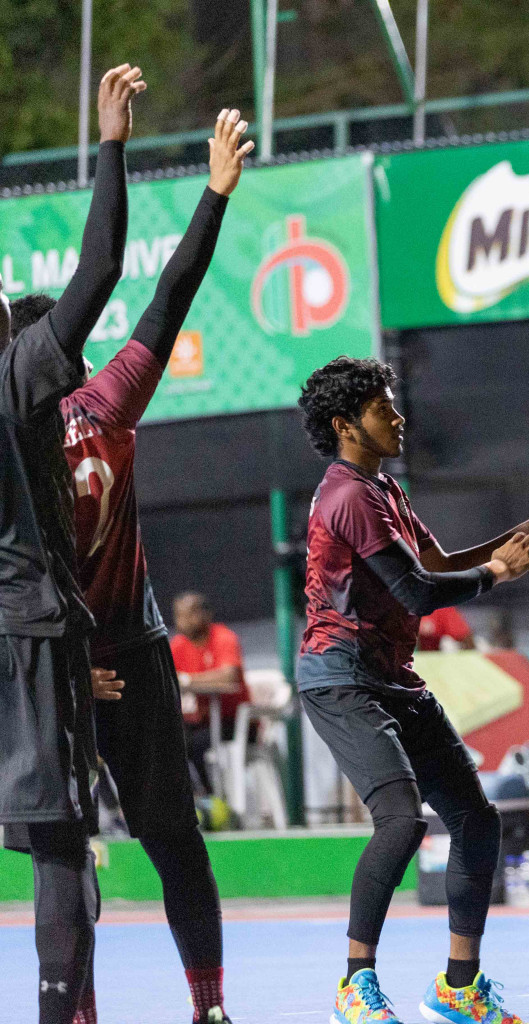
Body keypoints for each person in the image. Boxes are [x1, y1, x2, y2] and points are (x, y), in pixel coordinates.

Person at [31, 110, 251, 1024]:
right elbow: (169, 295)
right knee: (173, 842)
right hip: (122, 647)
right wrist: (215, 193)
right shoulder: (107, 401)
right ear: (68, 348)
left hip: (52, 661)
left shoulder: (14, 432)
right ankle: (210, 1010)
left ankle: (77, 1016)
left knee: (65, 854)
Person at [295, 355, 529, 1023]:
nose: (398, 417)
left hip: (392, 678)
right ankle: (354, 984)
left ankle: (459, 989)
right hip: (340, 677)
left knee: (475, 820)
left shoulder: (384, 489)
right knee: (401, 820)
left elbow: (434, 563)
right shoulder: (347, 496)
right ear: (347, 425)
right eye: (383, 408)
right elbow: (418, 592)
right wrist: (497, 574)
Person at [0, 63, 141, 1024]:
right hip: (29, 632)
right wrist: (112, 145)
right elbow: (97, 273)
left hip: (22, 634)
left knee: (56, 845)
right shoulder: (14, 380)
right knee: (61, 844)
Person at [170, 592, 249, 795]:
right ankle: (193, 799)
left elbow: (229, 677)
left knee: (195, 744)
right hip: (200, 721)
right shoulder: (178, 645)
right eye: (179, 615)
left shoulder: (223, 637)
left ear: (206, 614)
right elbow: (167, 678)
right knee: (170, 740)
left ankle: (212, 797)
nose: (183, 621)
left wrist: (187, 680)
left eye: (190, 614)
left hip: (235, 721)